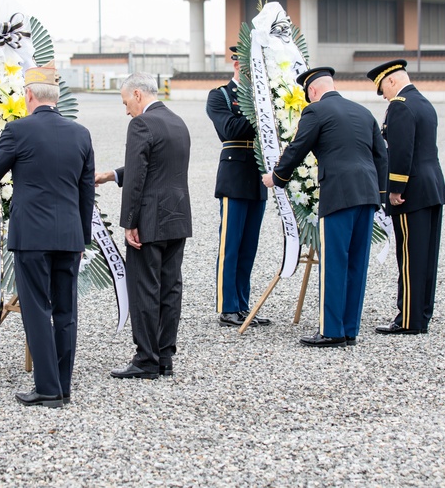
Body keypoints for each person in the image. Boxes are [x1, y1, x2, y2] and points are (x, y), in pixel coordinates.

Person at [0, 65, 95, 408]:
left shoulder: (18, 130)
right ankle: (62, 386)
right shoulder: (81, 133)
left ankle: (47, 389)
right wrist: (83, 237)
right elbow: (85, 190)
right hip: (69, 236)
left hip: (32, 235)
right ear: (55, 98)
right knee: (65, 312)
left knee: (36, 310)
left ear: (29, 96)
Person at [262, 67, 387, 348]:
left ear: (313, 91)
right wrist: (379, 192)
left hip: (339, 194)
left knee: (334, 261)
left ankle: (331, 331)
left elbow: (298, 147)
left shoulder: (315, 112)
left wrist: (277, 177)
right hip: (367, 195)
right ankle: (349, 329)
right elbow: (381, 156)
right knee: (356, 263)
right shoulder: (363, 112)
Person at [95, 72, 192, 379]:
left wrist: (128, 223)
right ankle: (164, 356)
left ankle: (145, 359)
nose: (126, 110)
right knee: (170, 287)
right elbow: (157, 165)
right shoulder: (178, 121)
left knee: (144, 287)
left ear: (137, 94)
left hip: (149, 220)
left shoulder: (141, 124)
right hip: (178, 217)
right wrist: (112, 174)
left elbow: (138, 176)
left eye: (126, 102)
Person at [366, 60, 445, 335]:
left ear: (390, 81)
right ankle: (422, 313)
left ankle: (408, 320)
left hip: (411, 192)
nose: (384, 96)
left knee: (410, 256)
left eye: (383, 90)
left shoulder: (400, 105)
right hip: (432, 187)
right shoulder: (423, 102)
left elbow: (401, 151)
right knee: (426, 256)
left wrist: (395, 189)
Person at [205, 46, 269, 328]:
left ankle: (243, 305)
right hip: (235, 173)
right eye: (246, 63)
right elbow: (230, 129)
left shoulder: (264, 96)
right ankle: (227, 307)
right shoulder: (219, 95)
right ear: (236, 64)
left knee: (249, 246)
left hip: (258, 176)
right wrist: (261, 112)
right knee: (231, 245)